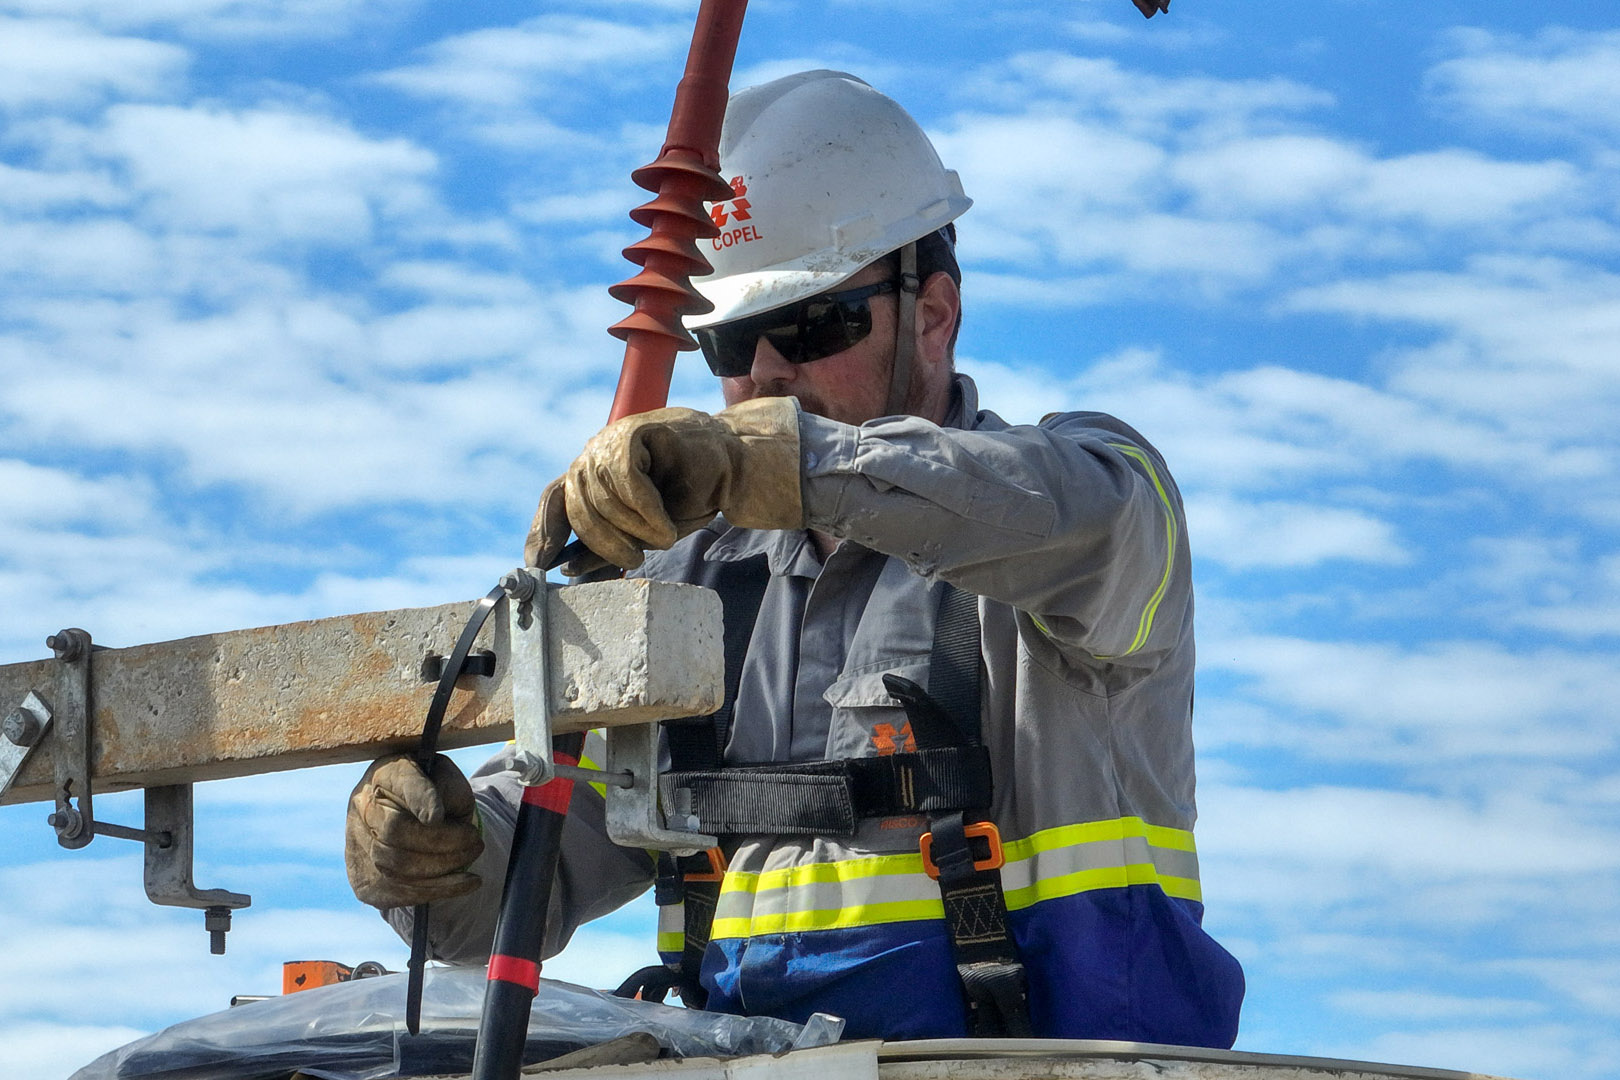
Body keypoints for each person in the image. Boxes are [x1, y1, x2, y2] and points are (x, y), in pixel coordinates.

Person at [345, 70, 1244, 1047]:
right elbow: (545, 861)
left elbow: (1067, 514)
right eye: (732, 341)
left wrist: (774, 460)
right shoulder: (687, 590)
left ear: (933, 312)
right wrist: (437, 849)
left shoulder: (1083, 511)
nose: (766, 374)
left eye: (814, 324)